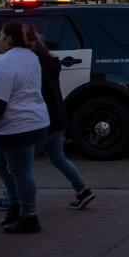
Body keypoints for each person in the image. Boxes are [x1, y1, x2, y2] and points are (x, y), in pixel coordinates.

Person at [0, 21, 50, 234]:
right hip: (36, 122)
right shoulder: (31, 57)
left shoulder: (6, 64)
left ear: (9, 39)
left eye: (0, 36)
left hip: (17, 126)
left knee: (20, 171)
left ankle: (29, 216)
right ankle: (16, 206)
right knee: (0, 161)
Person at [28, 32, 95, 210]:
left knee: (20, 164)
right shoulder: (51, 64)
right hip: (57, 118)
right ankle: (82, 190)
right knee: (58, 158)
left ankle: (15, 197)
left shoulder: (35, 67)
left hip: (42, 121)